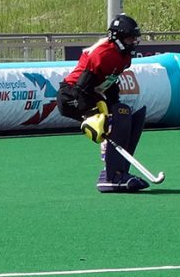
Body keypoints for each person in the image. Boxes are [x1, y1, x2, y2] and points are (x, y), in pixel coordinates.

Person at [56, 13, 149, 193]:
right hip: (73, 95)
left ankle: (119, 171)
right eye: (130, 38)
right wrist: (91, 115)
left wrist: (114, 106)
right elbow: (82, 86)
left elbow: (110, 82)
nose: (134, 42)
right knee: (111, 122)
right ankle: (112, 174)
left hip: (94, 94)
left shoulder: (124, 57)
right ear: (118, 38)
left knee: (126, 115)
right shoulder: (102, 53)